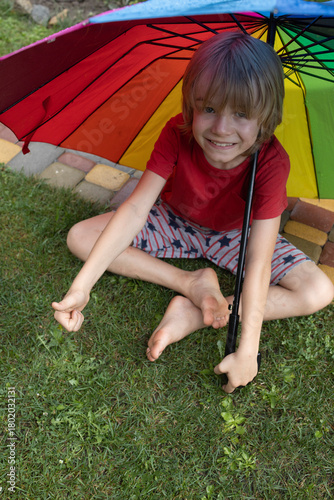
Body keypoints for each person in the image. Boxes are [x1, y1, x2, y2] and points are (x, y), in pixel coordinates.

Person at [52, 32, 334, 393]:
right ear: (191, 104)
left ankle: (195, 313)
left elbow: (260, 261)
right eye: (210, 108)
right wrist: (82, 287)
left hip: (237, 236)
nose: (221, 129)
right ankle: (189, 282)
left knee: (316, 290)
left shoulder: (272, 161)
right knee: (81, 236)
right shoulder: (176, 133)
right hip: (173, 221)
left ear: (267, 119)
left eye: (242, 114)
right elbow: (137, 207)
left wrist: (248, 348)